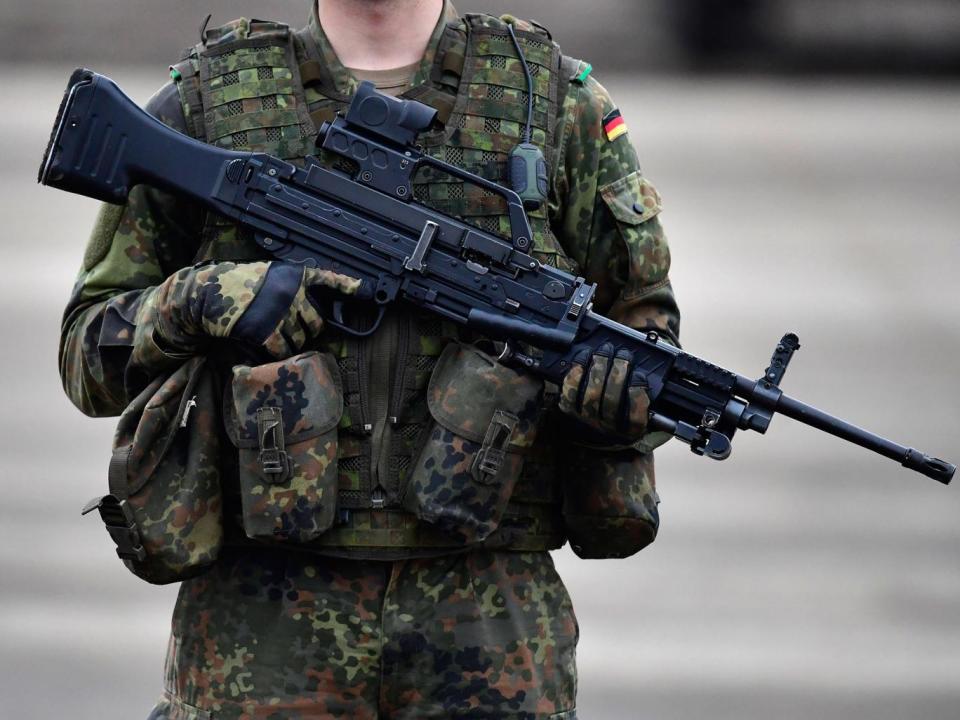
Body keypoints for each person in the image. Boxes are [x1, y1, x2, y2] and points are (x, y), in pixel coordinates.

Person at [59, 0, 680, 717]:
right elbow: (86, 355)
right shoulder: (207, 104)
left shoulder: (557, 107)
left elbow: (647, 335)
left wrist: (612, 406)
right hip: (259, 625)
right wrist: (200, 299)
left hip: (489, 615)